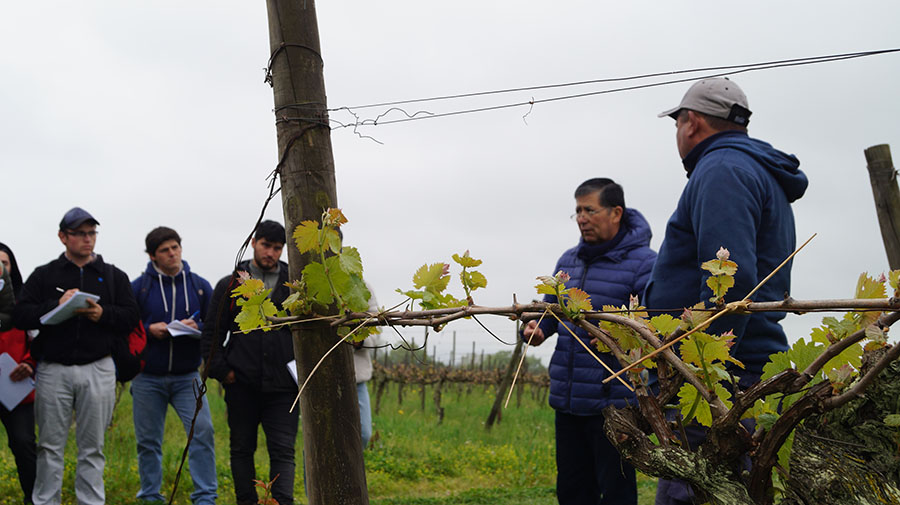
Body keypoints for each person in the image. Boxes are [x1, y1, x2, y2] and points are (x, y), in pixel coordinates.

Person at [645, 78, 808, 504]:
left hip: (720, 377)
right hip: (744, 366)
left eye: (677, 122)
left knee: (697, 492)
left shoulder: (721, 171)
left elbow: (728, 288)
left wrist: (698, 370)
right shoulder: (754, 171)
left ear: (692, 123)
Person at [521, 178, 656, 505]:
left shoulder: (645, 264)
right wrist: (536, 329)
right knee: (571, 491)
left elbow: (652, 331)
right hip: (567, 401)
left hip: (615, 404)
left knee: (616, 493)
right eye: (578, 211)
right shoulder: (568, 262)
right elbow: (549, 315)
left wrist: (616, 337)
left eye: (590, 210)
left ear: (616, 213)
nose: (582, 217)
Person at [14, 207, 139, 505]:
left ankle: (91, 502)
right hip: (53, 369)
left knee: (92, 447)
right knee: (49, 446)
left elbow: (132, 317)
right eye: (80, 233)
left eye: (91, 233)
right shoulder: (45, 275)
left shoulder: (112, 276)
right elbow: (21, 315)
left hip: (98, 367)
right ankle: (46, 501)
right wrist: (56, 303)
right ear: (63, 237)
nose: (87, 239)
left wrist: (102, 313)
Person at [202, 220, 298, 505]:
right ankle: (246, 501)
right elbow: (212, 333)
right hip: (241, 383)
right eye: (266, 245)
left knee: (283, 450)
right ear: (254, 242)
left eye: (277, 248)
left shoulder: (293, 284)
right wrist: (223, 372)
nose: (270, 253)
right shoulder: (232, 284)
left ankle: (281, 502)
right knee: (242, 449)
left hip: (283, 388)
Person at [130, 227, 217, 504]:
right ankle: (150, 496)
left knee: (202, 432)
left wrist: (198, 326)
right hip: (147, 376)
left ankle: (205, 496)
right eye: (165, 250)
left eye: (175, 247)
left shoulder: (199, 286)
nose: (172, 254)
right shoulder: (139, 287)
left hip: (187, 376)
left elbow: (214, 327)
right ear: (153, 256)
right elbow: (128, 327)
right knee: (148, 441)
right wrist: (148, 328)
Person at [0, 242, 37, 505]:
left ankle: (33, 498)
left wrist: (30, 363)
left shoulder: (25, 302)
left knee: (24, 444)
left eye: (4, 263)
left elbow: (40, 341)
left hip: (17, 389)